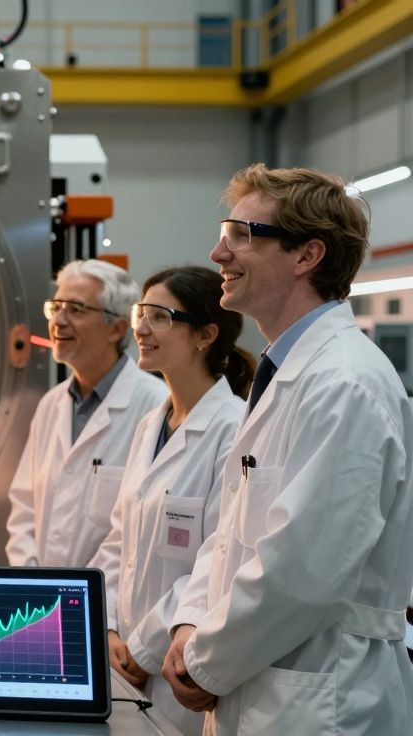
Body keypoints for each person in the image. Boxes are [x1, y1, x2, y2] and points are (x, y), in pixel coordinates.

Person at [161, 164, 413, 733]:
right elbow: (231, 535)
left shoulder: (345, 383)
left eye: (242, 236)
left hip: (322, 701)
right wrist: (189, 621)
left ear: (307, 256)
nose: (218, 253)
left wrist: (203, 661)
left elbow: (303, 569)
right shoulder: (287, 372)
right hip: (264, 688)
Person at [89, 266, 251, 735]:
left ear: (204, 335)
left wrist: (142, 647)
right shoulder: (149, 426)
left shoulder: (233, 429)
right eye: (142, 313)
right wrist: (111, 628)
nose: (140, 327)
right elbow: (119, 539)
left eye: (160, 316)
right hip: (123, 658)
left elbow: (216, 559)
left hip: (175, 666)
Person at [6, 259, 166, 568]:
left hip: (109, 605)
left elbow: (141, 530)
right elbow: (25, 507)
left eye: (76, 310)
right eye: (56, 308)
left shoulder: (154, 405)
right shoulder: (52, 405)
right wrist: (30, 577)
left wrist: (90, 595)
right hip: (44, 597)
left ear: (117, 328)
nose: (58, 322)